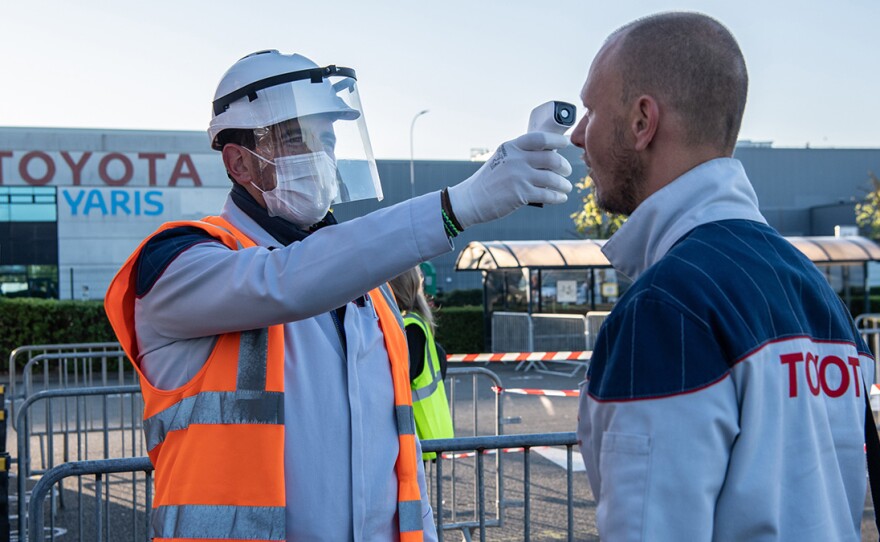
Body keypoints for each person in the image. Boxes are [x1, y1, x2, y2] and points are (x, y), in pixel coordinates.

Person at [103, 49, 572, 542]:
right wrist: (457, 206)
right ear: (239, 162)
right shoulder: (178, 263)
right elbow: (284, 282)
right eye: (296, 138)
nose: (320, 155)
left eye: (326, 139)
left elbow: (401, 468)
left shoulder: (368, 288)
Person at [572, 13, 873, 541]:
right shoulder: (815, 291)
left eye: (591, 111)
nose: (577, 136)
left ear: (643, 121)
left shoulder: (667, 308)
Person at [390, 266, 453, 461]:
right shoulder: (417, 322)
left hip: (415, 433)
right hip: (425, 432)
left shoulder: (409, 327)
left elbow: (399, 379)